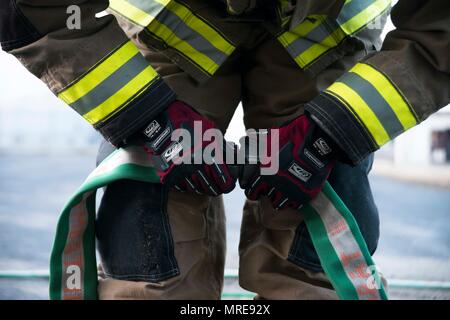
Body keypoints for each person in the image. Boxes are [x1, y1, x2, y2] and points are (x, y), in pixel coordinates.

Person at [1, 0, 448, 299]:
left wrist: (336, 127)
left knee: (313, 266)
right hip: (170, 25)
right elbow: (33, 9)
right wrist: (143, 114)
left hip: (323, 33)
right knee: (151, 257)